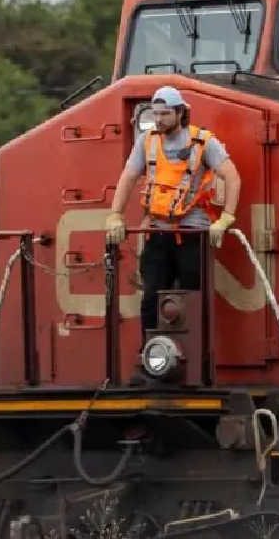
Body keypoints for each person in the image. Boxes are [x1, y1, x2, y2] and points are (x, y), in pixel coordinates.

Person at [104, 86, 242, 380]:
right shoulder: (147, 141)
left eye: (165, 113)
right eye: (155, 113)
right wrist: (115, 214)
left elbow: (232, 177)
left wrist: (226, 218)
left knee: (191, 299)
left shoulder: (204, 142)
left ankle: (194, 366)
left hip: (193, 233)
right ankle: (150, 363)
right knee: (151, 298)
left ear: (180, 113)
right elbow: (128, 177)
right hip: (157, 232)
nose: (159, 119)